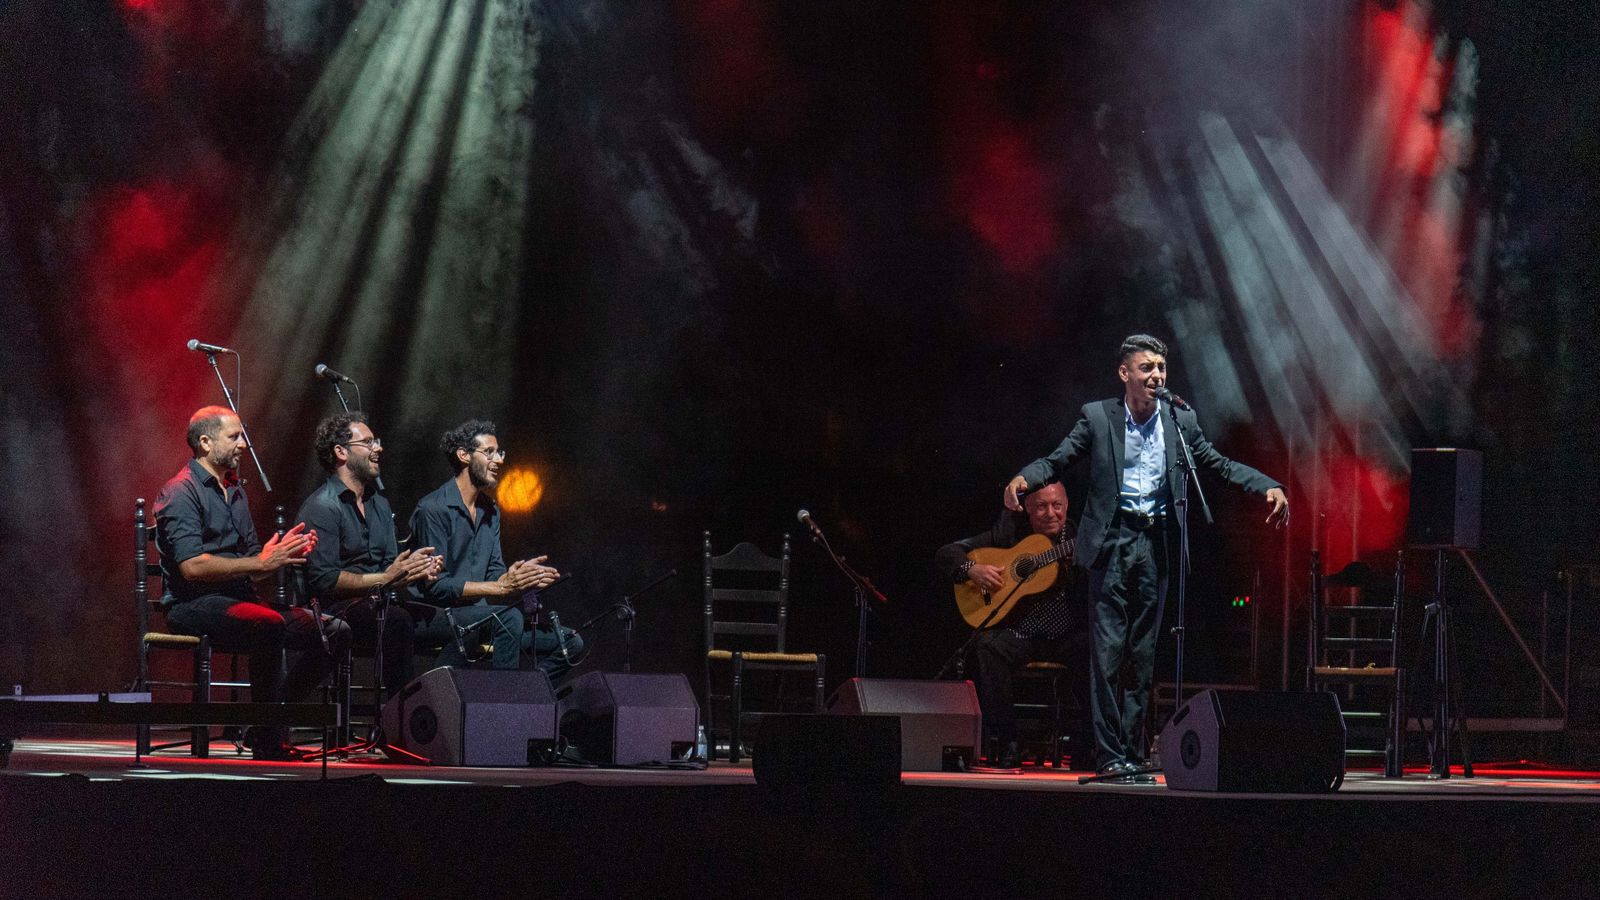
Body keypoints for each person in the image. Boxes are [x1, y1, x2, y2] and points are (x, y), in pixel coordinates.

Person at [1003, 334, 1288, 783]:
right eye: (1146, 368)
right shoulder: (1098, 418)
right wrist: (1024, 477)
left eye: (1160, 368)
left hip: (1154, 544)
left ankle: (1133, 753)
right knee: (1108, 654)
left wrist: (1266, 484)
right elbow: (1059, 460)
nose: (1156, 376)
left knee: (1143, 654)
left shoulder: (1179, 419)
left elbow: (1217, 463)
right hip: (1112, 543)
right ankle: (1109, 754)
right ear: (1125, 373)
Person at [154, 406, 350, 760]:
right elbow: (192, 567)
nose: (243, 444)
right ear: (205, 442)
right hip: (192, 605)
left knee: (335, 631)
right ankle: (268, 738)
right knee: (268, 623)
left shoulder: (234, 491)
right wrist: (260, 562)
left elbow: (255, 567)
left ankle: (266, 721)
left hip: (240, 601)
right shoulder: (181, 492)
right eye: (234, 437)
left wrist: (282, 553)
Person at [407, 420, 582, 679]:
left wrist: (520, 579)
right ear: (463, 455)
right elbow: (436, 587)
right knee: (508, 618)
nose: (499, 460)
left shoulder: (490, 510)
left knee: (570, 642)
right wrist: (500, 588)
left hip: (482, 617)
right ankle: (502, 701)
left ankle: (525, 693)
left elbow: (494, 574)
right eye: (489, 452)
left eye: (499, 452)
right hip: (434, 616)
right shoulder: (433, 509)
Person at [936, 481, 1087, 770]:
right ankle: (1008, 743)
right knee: (986, 647)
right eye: (1041, 506)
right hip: (1024, 634)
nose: (1050, 513)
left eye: (1057, 505)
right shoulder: (1009, 535)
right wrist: (972, 569)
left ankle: (1085, 745)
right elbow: (947, 553)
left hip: (1067, 633)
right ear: (1027, 510)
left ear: (1066, 506)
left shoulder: (1083, 537)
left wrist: (1082, 566)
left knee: (1100, 648)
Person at [296, 412, 441, 695]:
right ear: (340, 452)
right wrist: (386, 578)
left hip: (380, 603)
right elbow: (325, 580)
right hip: (336, 608)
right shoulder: (322, 507)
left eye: (377, 441)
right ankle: (401, 722)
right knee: (397, 621)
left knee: (451, 624)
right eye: (369, 442)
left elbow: (389, 568)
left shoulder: (380, 505)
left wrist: (413, 570)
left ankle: (437, 713)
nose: (379, 448)